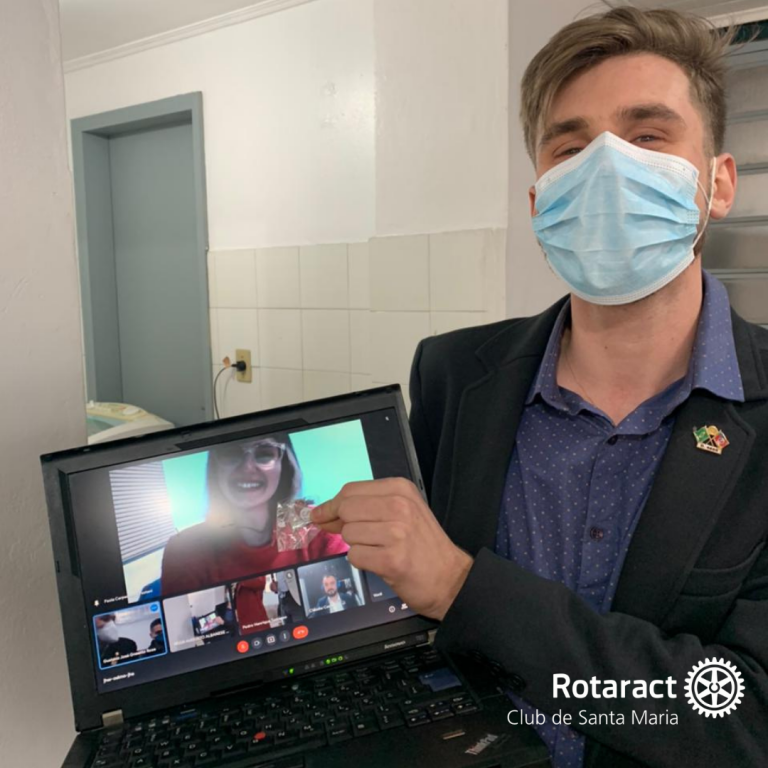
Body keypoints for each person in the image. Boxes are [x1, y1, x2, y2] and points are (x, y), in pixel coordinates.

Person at [311, 8, 768, 768]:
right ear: (540, 204)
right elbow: (408, 630)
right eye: (571, 148)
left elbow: (745, 717)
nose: (608, 169)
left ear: (717, 184)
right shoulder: (454, 375)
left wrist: (464, 589)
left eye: (648, 136)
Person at [161, 436, 348, 632]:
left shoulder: (315, 524)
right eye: (231, 453)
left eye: (264, 453)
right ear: (215, 465)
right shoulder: (185, 550)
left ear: (284, 463)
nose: (248, 467)